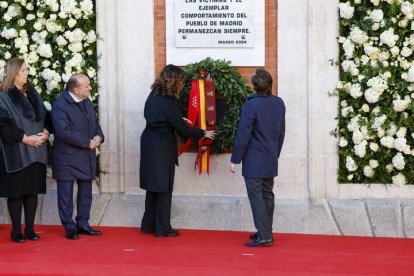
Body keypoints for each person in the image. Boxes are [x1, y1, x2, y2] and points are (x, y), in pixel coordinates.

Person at [140, 64, 215, 238]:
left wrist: (176, 118)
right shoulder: (170, 101)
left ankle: (148, 225)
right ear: (175, 81)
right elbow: (183, 129)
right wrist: (203, 132)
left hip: (149, 142)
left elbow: (155, 115)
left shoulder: (154, 94)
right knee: (165, 186)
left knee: (152, 186)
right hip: (162, 145)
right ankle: (162, 228)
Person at [229, 68, 285, 247]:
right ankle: (265, 230)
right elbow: (281, 131)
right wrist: (276, 153)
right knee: (267, 194)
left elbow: (243, 134)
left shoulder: (250, 105)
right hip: (270, 157)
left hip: (254, 158)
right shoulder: (279, 103)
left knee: (257, 197)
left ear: (254, 86)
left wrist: (235, 159)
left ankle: (265, 235)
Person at [0, 58, 50, 243]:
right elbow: (3, 123)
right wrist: (24, 138)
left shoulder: (32, 92)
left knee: (32, 191)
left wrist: (46, 132)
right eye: (23, 71)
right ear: (13, 72)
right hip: (16, 150)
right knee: (16, 192)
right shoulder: (3, 94)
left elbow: (45, 115)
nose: (26, 73)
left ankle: (30, 229)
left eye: (27, 70)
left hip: (37, 150)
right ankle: (16, 231)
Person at [51, 73, 104, 240]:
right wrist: (87, 142)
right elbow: (64, 131)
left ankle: (83, 224)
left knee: (86, 193)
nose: (90, 88)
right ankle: (69, 227)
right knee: (65, 195)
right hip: (66, 157)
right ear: (75, 89)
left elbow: (95, 123)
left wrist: (98, 136)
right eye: (86, 85)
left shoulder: (86, 101)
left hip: (85, 156)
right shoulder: (60, 105)